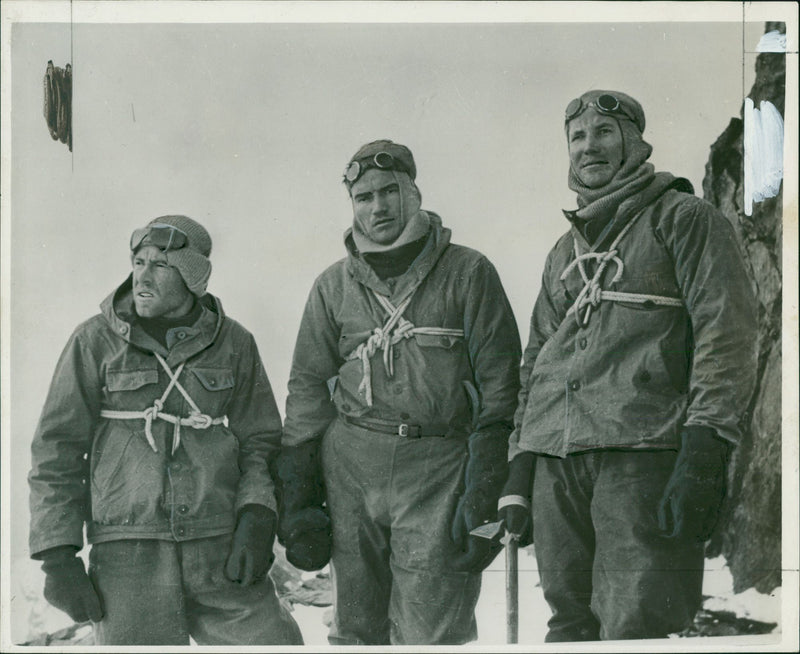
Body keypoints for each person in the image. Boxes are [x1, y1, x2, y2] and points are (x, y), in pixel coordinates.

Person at [498, 90, 759, 642]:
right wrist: (521, 463)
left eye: (604, 133)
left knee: (637, 623)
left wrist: (706, 443)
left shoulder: (684, 219)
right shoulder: (562, 255)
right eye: (577, 137)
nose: (589, 146)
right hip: (557, 461)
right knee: (569, 622)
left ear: (635, 144)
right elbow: (537, 359)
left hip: (642, 454)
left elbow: (727, 332)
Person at [277, 140, 521, 645]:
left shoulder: (470, 272)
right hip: (350, 468)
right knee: (356, 626)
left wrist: (486, 483)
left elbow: (502, 386)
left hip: (437, 467)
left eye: (390, 191)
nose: (378, 207)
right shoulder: (332, 285)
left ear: (415, 192)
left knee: (433, 627)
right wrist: (300, 495)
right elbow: (305, 389)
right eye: (363, 197)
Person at [28, 215, 303, 646]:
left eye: (160, 265)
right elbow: (56, 450)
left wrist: (256, 516)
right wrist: (57, 555)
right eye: (138, 262)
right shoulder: (93, 342)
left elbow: (261, 440)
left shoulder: (234, 342)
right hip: (128, 557)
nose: (142, 276)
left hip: (221, 546)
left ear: (193, 278)